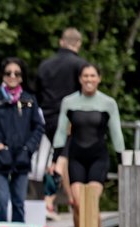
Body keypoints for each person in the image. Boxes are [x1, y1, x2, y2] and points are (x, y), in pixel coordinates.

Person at [52, 63, 125, 227]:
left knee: (91, 204)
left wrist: (122, 160)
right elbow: (61, 131)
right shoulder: (69, 102)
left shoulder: (108, 103)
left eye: (93, 76)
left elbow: (116, 133)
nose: (89, 79)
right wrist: (56, 159)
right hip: (76, 157)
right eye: (85, 76)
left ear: (99, 78)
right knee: (77, 204)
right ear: (80, 79)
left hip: (98, 158)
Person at [0, 57, 44, 223]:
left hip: (22, 157)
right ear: (2, 75)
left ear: (22, 77)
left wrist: (29, 147)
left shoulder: (29, 99)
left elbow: (38, 127)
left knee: (19, 203)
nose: (12, 76)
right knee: (0, 201)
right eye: (8, 73)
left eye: (17, 73)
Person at [34, 28, 87, 213]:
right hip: (69, 118)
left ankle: (70, 198)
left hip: (48, 118)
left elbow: (37, 94)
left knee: (61, 154)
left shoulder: (45, 65)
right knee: (62, 158)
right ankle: (49, 197)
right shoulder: (81, 65)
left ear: (61, 42)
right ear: (78, 44)